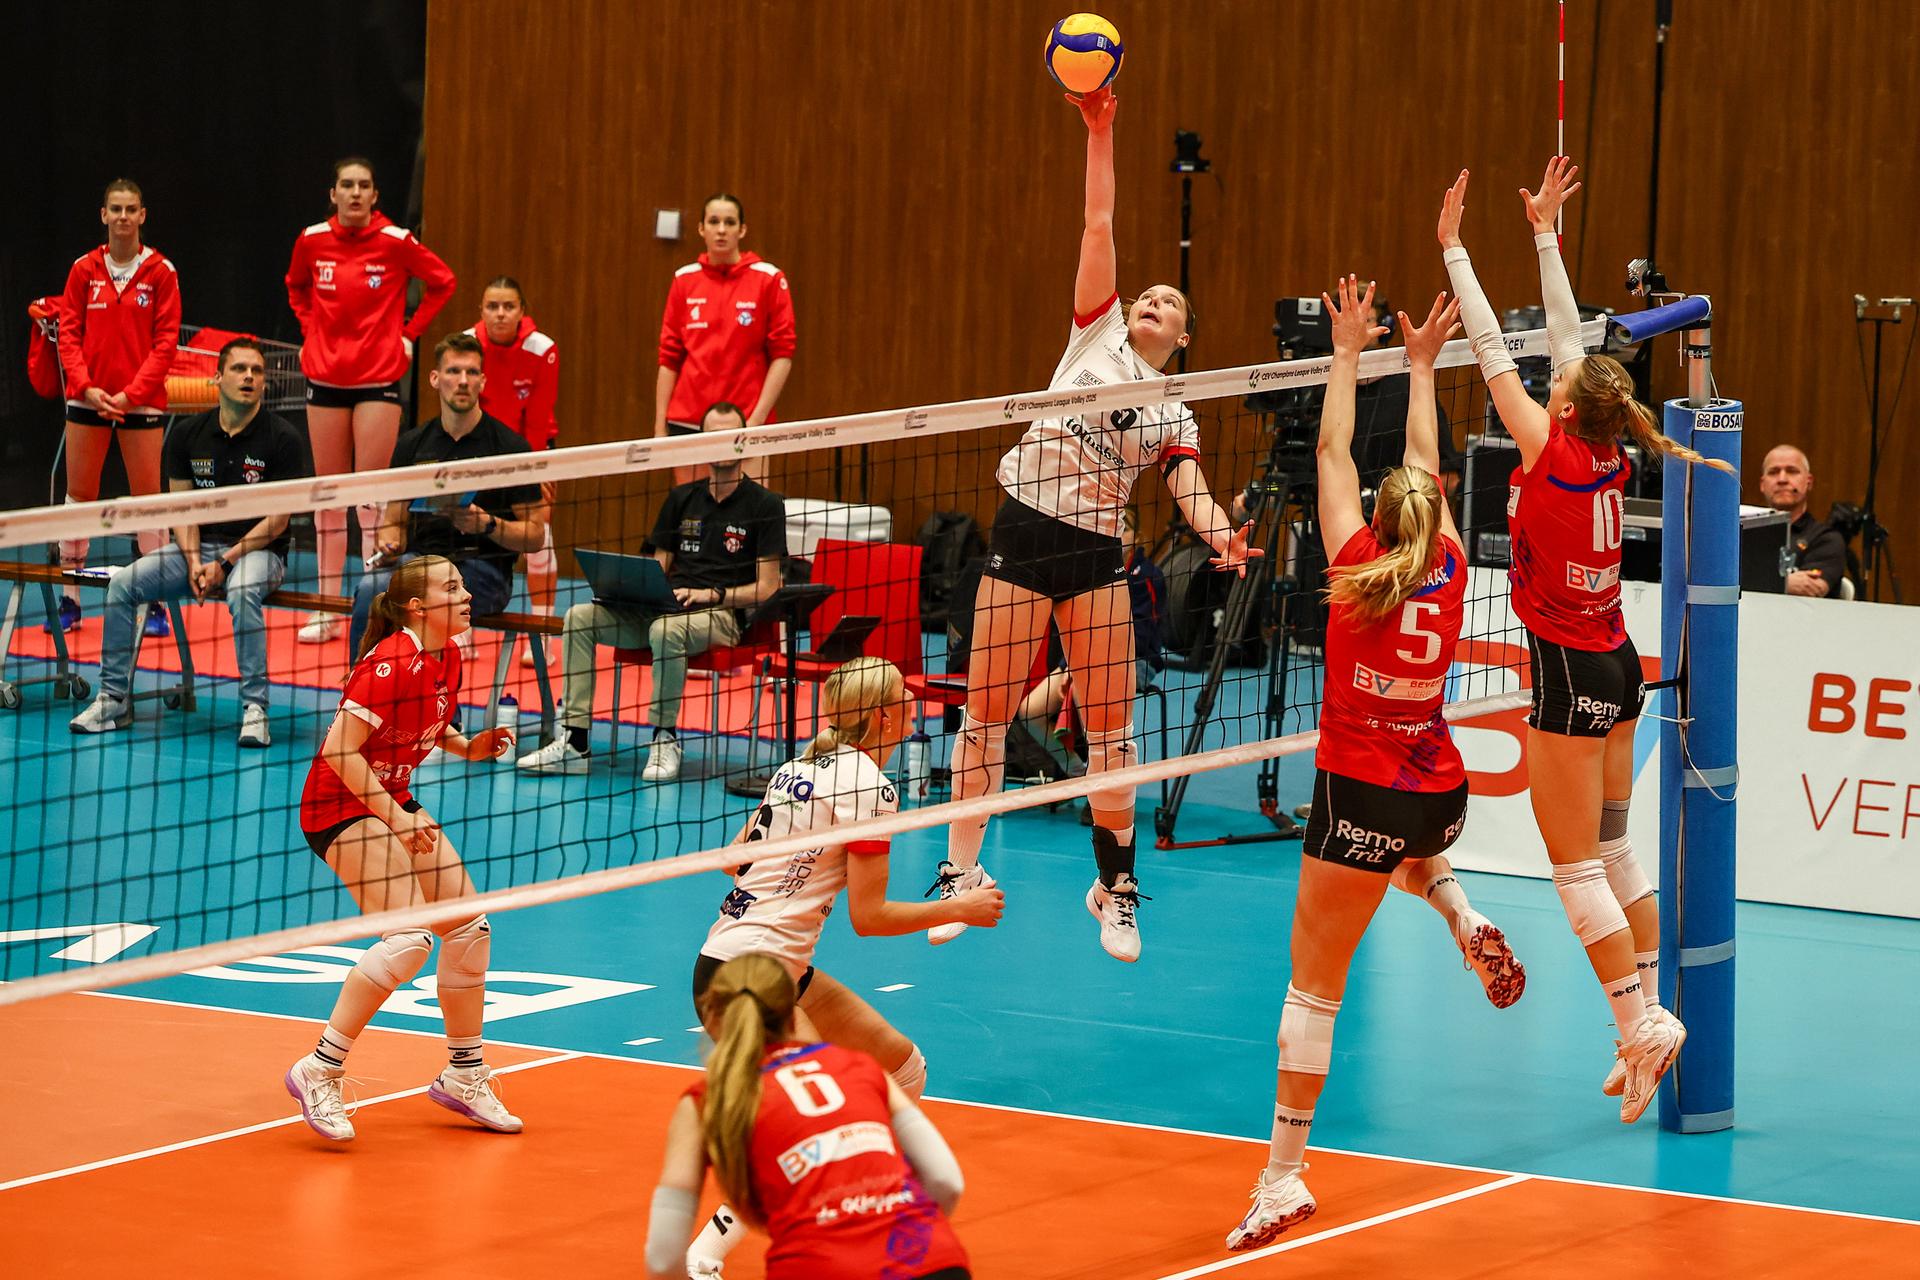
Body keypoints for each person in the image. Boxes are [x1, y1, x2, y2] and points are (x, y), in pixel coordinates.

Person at [1225, 278, 1528, 1251]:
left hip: (1358, 784)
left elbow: (1329, 451)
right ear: (1432, 512)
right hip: (1438, 785)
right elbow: (1420, 459)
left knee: (1312, 986)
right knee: (1404, 854)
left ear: (1377, 516)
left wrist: (1347, 352)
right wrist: (1422, 364)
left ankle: (1281, 1175)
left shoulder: (1357, 562)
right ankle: (1458, 905)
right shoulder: (1448, 559)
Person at [927, 86, 1257, 964]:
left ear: (1181, 339)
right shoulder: (1094, 332)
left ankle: (1113, 888)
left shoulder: (1177, 409)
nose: (1152, 302)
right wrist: (1101, 133)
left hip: (1096, 557)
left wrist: (1220, 533)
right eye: (1147, 295)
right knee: (985, 718)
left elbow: (1189, 490)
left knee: (1113, 733)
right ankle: (960, 875)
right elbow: (1098, 223)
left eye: (1169, 304)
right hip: (1024, 534)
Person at [1438, 158, 1736, 1122]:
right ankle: (1645, 1014)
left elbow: (1493, 346)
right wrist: (1542, 235)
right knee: (1613, 851)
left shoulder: (1550, 448)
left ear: (1564, 405)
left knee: (1572, 864)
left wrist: (1453, 248)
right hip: (1617, 661)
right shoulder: (1606, 448)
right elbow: (1567, 341)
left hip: (1569, 672)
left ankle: (1637, 1026)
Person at [674, 658, 1001, 1276]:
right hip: (746, 977)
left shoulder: (799, 765)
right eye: (906, 697)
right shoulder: (871, 788)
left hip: (761, 961)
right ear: (881, 715)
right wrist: (961, 907)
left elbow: (735, 861)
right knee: (806, 1114)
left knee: (902, 1068)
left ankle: (864, 1200)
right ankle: (710, 1251)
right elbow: (869, 917)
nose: (916, 705)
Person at [286, 555, 521, 1142]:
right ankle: (319, 1068)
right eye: (451, 588)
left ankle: (464, 1075)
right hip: (340, 805)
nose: (466, 595)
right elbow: (341, 752)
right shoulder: (392, 660)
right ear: (417, 606)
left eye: (464, 585)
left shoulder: (450, 655)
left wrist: (469, 748)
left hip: (389, 797)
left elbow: (427, 723)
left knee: (468, 929)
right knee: (409, 940)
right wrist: (394, 816)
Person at [646, 954, 972, 1280]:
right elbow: (946, 1182)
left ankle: (705, 1252)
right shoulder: (863, 1068)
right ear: (793, 1016)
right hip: (933, 1262)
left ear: (712, 1023)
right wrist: (901, 1246)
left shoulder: (706, 1101)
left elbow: (662, 1261)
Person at [516, 402, 786, 782]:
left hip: (722, 617)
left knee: (665, 631)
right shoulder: (681, 499)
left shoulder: (765, 504)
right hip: (665, 607)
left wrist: (715, 595)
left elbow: (768, 587)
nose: (721, 443)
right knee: (579, 617)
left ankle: (664, 738)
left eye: (730, 435)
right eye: (713, 435)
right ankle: (575, 743)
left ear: (743, 441)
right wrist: (625, 588)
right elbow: (658, 567)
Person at [68, 337, 311, 747]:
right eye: (239, 369)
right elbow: (182, 510)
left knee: (242, 589)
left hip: (259, 552)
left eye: (256, 371)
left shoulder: (283, 438)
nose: (249, 377)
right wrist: (197, 560)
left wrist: (225, 563)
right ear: (216, 378)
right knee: (124, 583)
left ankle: (255, 708)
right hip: (195, 550)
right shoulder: (186, 434)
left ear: (264, 384)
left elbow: (279, 520)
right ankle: (112, 699)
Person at [286, 156, 456, 643]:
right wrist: (309, 328)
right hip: (325, 378)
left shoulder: (397, 241)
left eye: (364, 185)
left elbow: (443, 282)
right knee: (327, 497)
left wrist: (409, 335)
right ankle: (325, 608)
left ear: (375, 195)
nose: (356, 193)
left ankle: (376, 604)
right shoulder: (311, 239)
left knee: (371, 498)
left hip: (377, 378)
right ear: (333, 193)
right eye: (347, 185)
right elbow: (295, 287)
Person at [349, 333, 546, 658]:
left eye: (471, 373)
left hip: (483, 572)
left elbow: (535, 536)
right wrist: (389, 543)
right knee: (372, 589)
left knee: (428, 605)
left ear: (482, 381)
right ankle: (359, 693)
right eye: (454, 372)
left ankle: (436, 706)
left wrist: (487, 524)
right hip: (420, 561)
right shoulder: (412, 445)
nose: (463, 381)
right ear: (435, 378)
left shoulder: (510, 449)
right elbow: (393, 522)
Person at [53, 178, 182, 635]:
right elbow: (68, 333)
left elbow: (167, 343)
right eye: (116, 209)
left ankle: (155, 605)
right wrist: (87, 388)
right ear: (103, 214)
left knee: (147, 502)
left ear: (143, 215)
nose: (124, 217)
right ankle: (69, 600)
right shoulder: (83, 269)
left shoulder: (162, 271)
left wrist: (130, 394)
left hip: (140, 401)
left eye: (132, 209)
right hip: (87, 400)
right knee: (78, 499)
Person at [1014, 504, 1167, 786]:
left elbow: (1141, 637)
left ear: (1139, 535)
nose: (1119, 533)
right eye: (1113, 527)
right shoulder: (1088, 572)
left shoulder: (1148, 576)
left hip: (1135, 662)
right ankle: (1076, 770)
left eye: (1126, 527)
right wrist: (1070, 666)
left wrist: (1082, 669)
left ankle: (1105, 785)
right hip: (1083, 660)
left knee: (1088, 699)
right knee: (1029, 711)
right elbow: (1072, 627)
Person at [655, 193, 796, 486]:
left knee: (747, 519)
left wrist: (755, 421)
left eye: (729, 222)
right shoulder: (684, 280)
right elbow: (669, 357)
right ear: (701, 229)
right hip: (688, 421)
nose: (721, 229)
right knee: (693, 522)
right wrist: (660, 427)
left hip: (746, 422)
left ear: (742, 230)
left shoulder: (768, 279)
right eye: (714, 221)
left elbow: (783, 354)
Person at [466, 276, 562, 654]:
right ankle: (461, 628)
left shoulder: (543, 349)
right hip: (478, 453)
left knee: (539, 536)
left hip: (531, 453)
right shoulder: (467, 345)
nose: (500, 314)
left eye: (509, 307)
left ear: (523, 311)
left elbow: (538, 419)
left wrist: (534, 474)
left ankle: (541, 630)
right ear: (482, 311)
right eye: (493, 306)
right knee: (465, 532)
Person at [1757, 444, 1847, 597]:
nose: (1782, 479)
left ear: (1808, 482)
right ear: (1762, 484)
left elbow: (1811, 588)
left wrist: (1751, 580)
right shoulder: (1745, 534)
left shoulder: (1826, 539)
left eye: (1792, 471)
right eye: (1773, 472)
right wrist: (1784, 583)